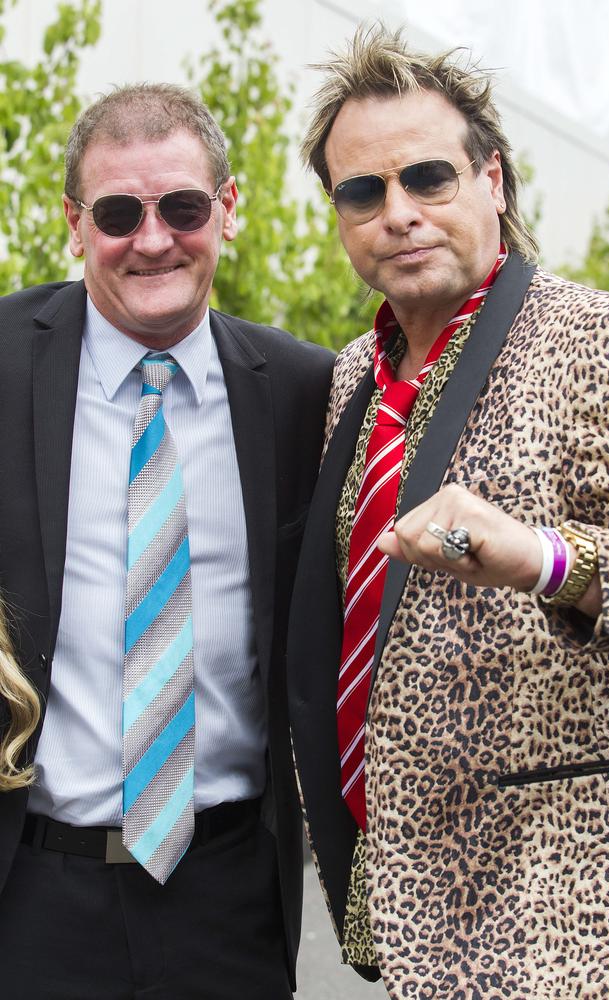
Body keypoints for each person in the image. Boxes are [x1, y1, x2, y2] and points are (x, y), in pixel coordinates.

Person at [288, 24, 609, 999]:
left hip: (568, 918)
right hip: (404, 909)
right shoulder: (353, 375)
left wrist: (542, 557)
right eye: (362, 191)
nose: (396, 212)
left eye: (427, 178)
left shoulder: (607, 340)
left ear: (492, 178)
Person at [0, 82, 333, 999]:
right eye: (118, 212)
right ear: (74, 224)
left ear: (227, 208)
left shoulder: (308, 393)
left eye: (182, 206)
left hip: (229, 895)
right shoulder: (3, 365)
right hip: (30, 897)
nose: (153, 240)